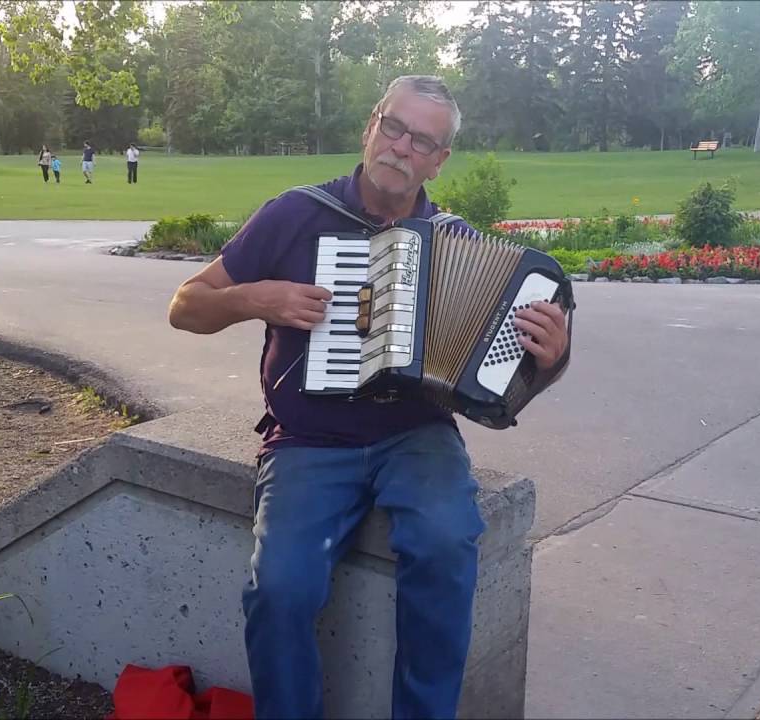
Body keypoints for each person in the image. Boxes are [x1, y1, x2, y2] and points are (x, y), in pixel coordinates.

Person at [166, 75, 569, 719]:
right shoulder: (294, 214)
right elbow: (186, 307)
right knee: (279, 588)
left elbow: (498, 390)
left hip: (415, 435)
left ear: (439, 160)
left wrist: (549, 360)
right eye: (395, 128)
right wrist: (253, 299)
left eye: (422, 141)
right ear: (371, 126)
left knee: (445, 544)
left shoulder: (455, 240)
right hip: (308, 440)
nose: (401, 147)